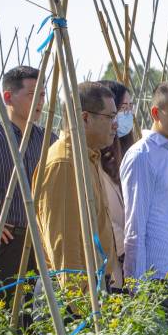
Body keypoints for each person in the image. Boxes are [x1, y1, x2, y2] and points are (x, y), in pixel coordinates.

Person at [0, 66, 55, 295]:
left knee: (35, 317)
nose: (40, 101)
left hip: (39, 242)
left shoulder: (48, 139)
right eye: (32, 94)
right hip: (4, 243)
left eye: (42, 94)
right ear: (8, 97)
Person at [120, 81, 168, 329]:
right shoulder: (143, 155)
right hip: (156, 278)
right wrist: (136, 287)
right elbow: (135, 227)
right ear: (155, 113)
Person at [34, 81, 117, 291]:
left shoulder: (87, 157)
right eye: (111, 117)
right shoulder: (65, 163)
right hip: (73, 294)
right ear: (85, 118)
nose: (116, 124)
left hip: (93, 283)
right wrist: (81, 305)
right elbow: (64, 241)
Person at [96, 80, 135, 290]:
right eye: (122, 108)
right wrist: (124, 249)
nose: (127, 113)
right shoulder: (93, 160)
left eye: (130, 108)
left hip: (129, 259)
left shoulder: (128, 153)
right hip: (114, 259)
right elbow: (103, 215)